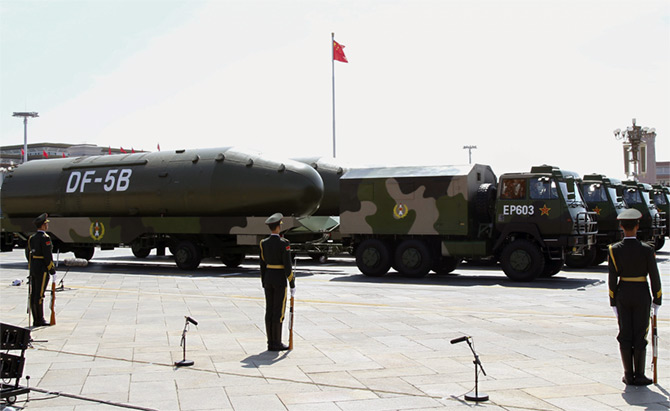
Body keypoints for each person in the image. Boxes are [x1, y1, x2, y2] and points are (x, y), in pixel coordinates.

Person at [608, 208, 662, 386]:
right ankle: (639, 374)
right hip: (641, 293)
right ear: (637, 226)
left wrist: (613, 301)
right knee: (640, 333)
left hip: (623, 293)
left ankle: (628, 374)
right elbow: (654, 276)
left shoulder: (614, 250)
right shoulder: (647, 250)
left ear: (621, 227)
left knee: (625, 333)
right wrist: (657, 298)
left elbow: (612, 278)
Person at [259, 213, 295, 351]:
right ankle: (277, 342)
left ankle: (270, 342)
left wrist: (263, 281)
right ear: (278, 227)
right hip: (280, 279)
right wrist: (292, 283)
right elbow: (287, 265)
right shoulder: (284, 243)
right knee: (278, 311)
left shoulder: (264, 243)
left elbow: (262, 265)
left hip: (268, 279)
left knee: (269, 310)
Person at [27, 213, 56, 327]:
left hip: (34, 266)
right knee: (39, 294)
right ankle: (39, 319)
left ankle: (36, 318)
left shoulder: (31, 238)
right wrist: (51, 270)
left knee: (34, 293)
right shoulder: (45, 238)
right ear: (43, 226)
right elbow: (47, 256)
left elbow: (30, 254)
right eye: (46, 224)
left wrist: (31, 268)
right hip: (42, 268)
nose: (47, 226)